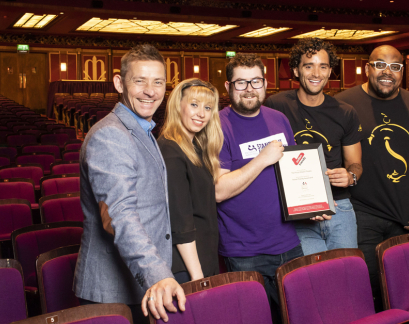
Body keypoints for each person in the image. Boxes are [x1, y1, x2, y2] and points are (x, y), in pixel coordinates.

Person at [74, 44, 185, 324]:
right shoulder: (110, 135)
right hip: (112, 290)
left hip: (138, 286)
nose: (150, 91)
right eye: (140, 81)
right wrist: (158, 275)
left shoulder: (142, 128)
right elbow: (120, 214)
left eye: (158, 82)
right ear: (119, 83)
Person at [335, 45, 409, 311]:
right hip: (360, 218)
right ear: (367, 68)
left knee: (406, 291)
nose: (387, 72)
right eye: (380, 65)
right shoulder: (343, 104)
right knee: (366, 292)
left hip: (406, 217)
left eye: (395, 66)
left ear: (403, 72)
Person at [216, 53, 307, 323]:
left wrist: (311, 199)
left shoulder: (279, 119)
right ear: (228, 87)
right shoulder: (217, 125)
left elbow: (292, 171)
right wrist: (261, 160)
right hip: (245, 249)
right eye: (241, 82)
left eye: (255, 81)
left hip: (289, 241)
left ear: (266, 84)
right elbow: (218, 190)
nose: (249, 89)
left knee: (297, 316)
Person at [265, 38, 362, 255]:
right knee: (310, 282)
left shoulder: (345, 112)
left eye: (323, 67)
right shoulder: (276, 106)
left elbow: (356, 164)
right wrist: (305, 205)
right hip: (297, 212)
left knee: (347, 276)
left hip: (340, 207)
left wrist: (350, 176)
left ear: (330, 72)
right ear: (296, 71)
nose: (316, 73)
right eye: (308, 66)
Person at [157, 78, 223, 284]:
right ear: (178, 106)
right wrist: (197, 278)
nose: (201, 114)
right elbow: (181, 224)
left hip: (203, 256)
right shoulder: (170, 150)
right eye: (194, 104)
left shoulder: (196, 148)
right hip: (186, 267)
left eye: (208, 107)